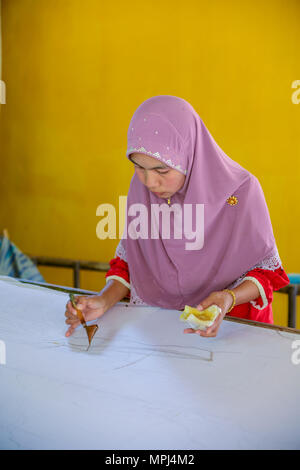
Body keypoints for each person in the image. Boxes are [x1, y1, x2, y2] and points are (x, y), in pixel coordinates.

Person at [65, 95, 290, 338]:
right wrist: (104, 300)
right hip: (163, 335)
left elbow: (265, 271)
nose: (150, 182)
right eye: (139, 168)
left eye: (162, 170)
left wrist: (229, 297)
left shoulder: (240, 193)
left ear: (190, 156)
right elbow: (132, 263)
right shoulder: (141, 192)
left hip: (234, 332)